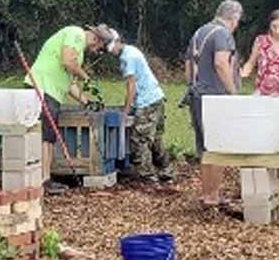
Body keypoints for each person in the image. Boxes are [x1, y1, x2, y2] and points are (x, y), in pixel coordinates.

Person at [26, 25, 112, 195]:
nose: (96, 51)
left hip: (52, 92)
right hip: (42, 87)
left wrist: (86, 101)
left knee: (49, 136)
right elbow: (67, 61)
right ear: (97, 39)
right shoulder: (75, 34)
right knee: (45, 136)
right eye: (99, 48)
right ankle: (43, 181)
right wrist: (86, 78)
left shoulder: (77, 51)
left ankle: (46, 178)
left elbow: (69, 83)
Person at [185, 0, 243, 208]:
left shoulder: (199, 32)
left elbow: (188, 65)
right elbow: (221, 63)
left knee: (205, 147)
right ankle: (213, 195)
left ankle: (206, 193)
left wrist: (192, 86)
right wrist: (232, 92)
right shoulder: (222, 34)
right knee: (218, 147)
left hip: (197, 95)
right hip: (216, 98)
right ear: (233, 18)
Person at [107, 29, 173, 183]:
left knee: (139, 140)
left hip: (147, 101)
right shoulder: (131, 50)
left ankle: (147, 177)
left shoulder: (127, 57)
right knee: (155, 140)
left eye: (109, 47)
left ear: (117, 41)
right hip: (156, 97)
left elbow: (131, 85)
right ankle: (166, 171)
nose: (109, 52)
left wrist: (126, 110)